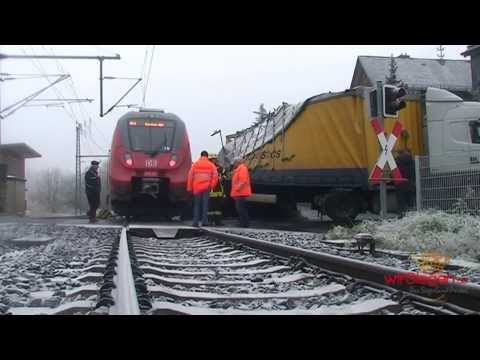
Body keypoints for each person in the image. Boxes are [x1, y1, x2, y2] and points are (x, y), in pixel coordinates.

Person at [187, 151, 218, 227]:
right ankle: (204, 221)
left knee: (197, 205)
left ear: (200, 156)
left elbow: (190, 176)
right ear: (207, 156)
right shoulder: (211, 165)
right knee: (205, 205)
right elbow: (215, 176)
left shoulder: (195, 165)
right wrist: (211, 186)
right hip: (206, 187)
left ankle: (195, 222)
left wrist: (190, 188)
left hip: (197, 187)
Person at [231, 157, 252, 227]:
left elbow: (243, 181)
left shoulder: (242, 169)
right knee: (240, 208)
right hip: (239, 193)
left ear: (237, 162)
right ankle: (243, 223)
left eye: (234, 163)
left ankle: (244, 223)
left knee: (241, 209)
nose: (234, 164)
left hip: (241, 193)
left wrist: (237, 188)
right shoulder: (240, 169)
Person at [395, 149, 415, 217]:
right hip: (410, 183)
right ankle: (411, 215)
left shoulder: (397, 161)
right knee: (410, 200)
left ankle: (401, 215)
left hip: (400, 184)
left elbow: (394, 173)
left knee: (401, 201)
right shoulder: (412, 161)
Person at [208, 156, 226, 226]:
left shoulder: (220, 168)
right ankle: (210, 221)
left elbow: (225, 176)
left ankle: (218, 221)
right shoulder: (208, 168)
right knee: (211, 207)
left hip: (219, 190)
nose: (215, 161)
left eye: (215, 159)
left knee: (218, 208)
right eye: (213, 159)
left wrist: (222, 178)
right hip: (211, 190)